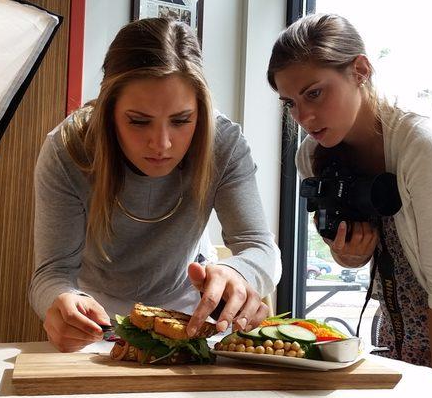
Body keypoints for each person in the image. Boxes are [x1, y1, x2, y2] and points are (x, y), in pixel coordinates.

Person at [30, 17, 281, 353]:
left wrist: (238, 271)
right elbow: (52, 271)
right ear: (108, 110)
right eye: (138, 121)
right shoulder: (68, 149)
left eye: (181, 121)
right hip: (95, 324)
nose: (161, 144)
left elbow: (261, 248)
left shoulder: (224, 144)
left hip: (189, 318)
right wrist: (60, 300)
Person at [267, 13, 432, 381]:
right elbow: (371, 255)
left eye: (314, 93)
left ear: (360, 70)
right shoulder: (312, 155)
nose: (303, 116)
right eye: (289, 102)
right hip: (400, 335)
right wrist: (349, 254)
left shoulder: (426, 150)